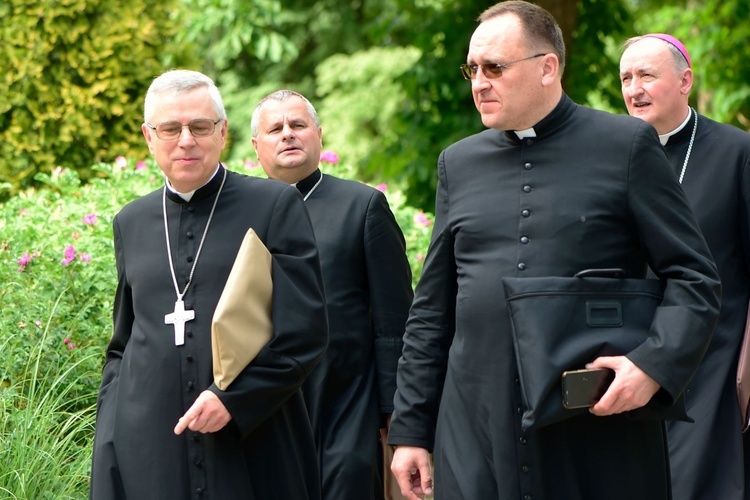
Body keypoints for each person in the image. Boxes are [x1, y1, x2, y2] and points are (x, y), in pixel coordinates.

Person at [386, 2, 722, 499]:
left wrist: (653, 365)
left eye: (495, 67)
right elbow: (433, 309)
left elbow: (695, 278)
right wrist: (411, 430)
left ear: (548, 67)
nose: (479, 81)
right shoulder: (458, 163)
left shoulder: (626, 145)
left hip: (593, 428)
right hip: (477, 428)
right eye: (472, 69)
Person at [89, 70, 329, 499]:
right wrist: (110, 437)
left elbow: (304, 330)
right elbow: (122, 345)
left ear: (222, 133)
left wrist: (233, 399)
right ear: (149, 136)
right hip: (150, 450)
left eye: (200, 127)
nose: (186, 140)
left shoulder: (274, 204)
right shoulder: (131, 222)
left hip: (254, 441)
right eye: (170, 128)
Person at [251, 89, 414, 500]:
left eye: (298, 125)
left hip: (347, 405)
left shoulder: (362, 207)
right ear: (257, 146)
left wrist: (396, 414)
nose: (288, 134)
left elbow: (394, 319)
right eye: (275, 128)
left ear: (319, 135)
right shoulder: (243, 213)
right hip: (266, 407)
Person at [620, 34, 750, 500]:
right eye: (626, 78)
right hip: (628, 361)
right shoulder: (612, 156)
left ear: (684, 81)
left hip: (711, 365)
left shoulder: (738, 153)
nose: (634, 88)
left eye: (646, 75)